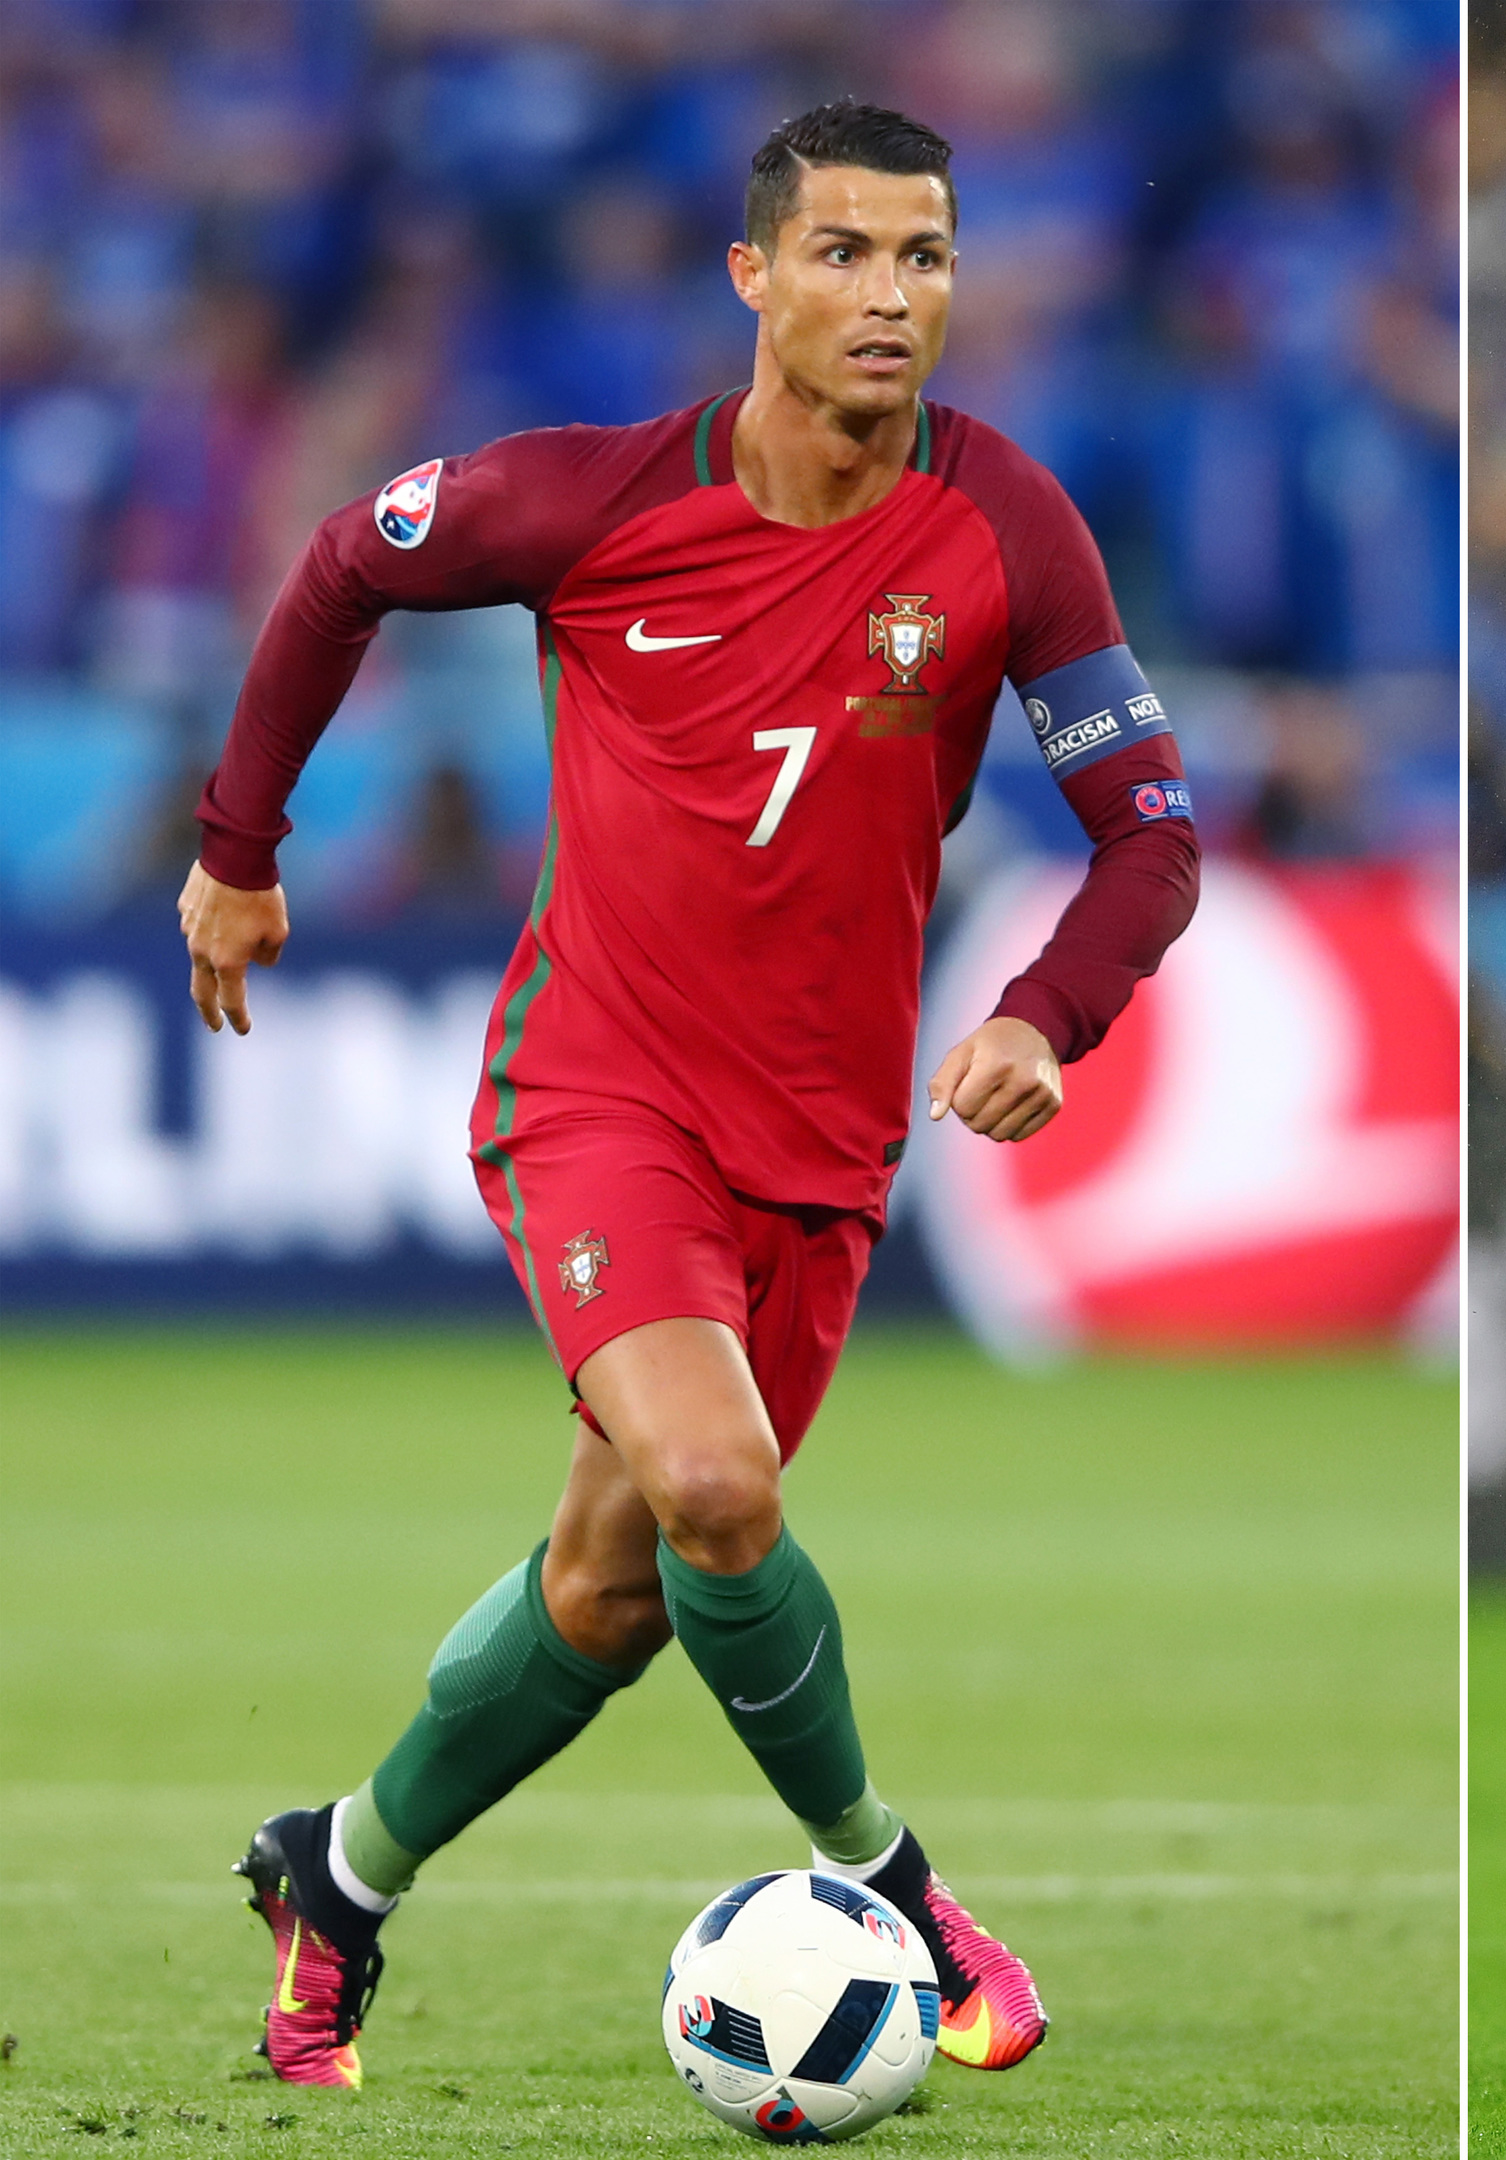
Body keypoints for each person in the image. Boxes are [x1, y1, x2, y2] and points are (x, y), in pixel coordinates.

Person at [180, 100, 1201, 2090]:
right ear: (754, 276)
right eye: (842, 253)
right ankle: (897, 1891)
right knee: (724, 1490)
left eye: (923, 257)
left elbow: (1151, 832)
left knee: (615, 1580)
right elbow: (337, 567)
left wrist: (1046, 1015)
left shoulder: (1010, 530)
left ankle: (342, 1878)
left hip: (821, 1154)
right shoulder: (592, 500)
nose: (888, 295)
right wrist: (240, 845)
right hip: (598, 1092)